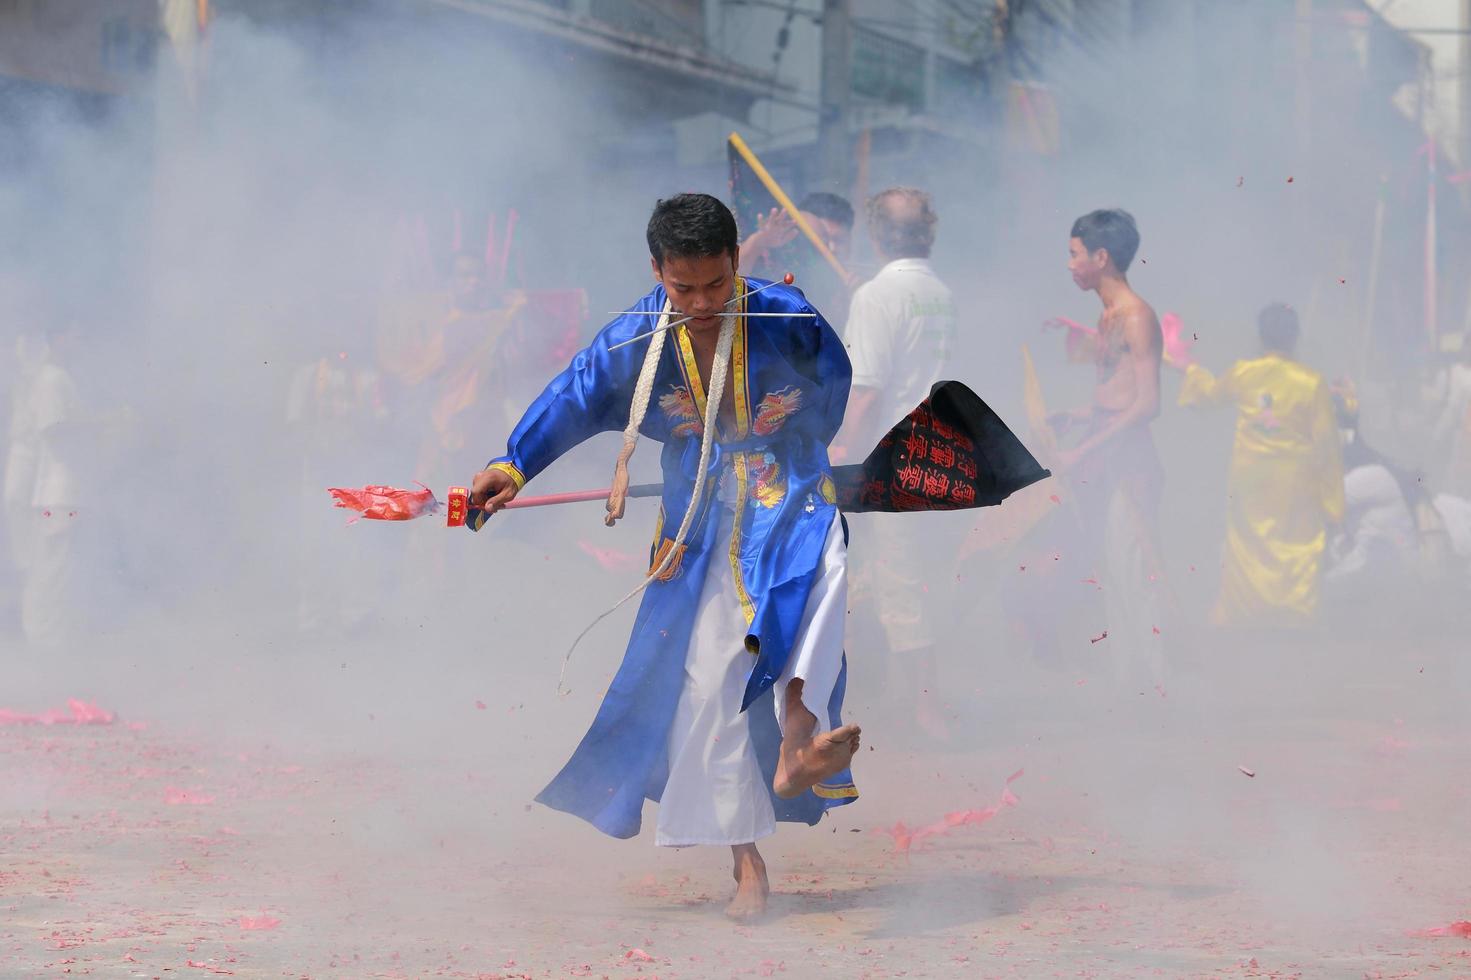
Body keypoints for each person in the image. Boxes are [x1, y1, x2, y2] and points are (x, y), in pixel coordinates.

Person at [468, 193, 860, 921]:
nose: (703, 302)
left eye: (716, 284)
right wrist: (512, 465)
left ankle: (800, 741)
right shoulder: (633, 338)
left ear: (737, 261)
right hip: (699, 520)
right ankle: (745, 863)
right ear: (657, 271)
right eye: (684, 289)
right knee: (709, 687)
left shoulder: (787, 316)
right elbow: (572, 397)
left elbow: (830, 396)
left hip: (792, 492)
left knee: (820, 587)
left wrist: (779, 445)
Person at [831, 187, 956, 737]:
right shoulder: (941, 292)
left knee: (902, 583)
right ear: (927, 231)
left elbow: (868, 390)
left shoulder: (876, 297)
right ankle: (879, 697)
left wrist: (839, 447)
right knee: (887, 577)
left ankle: (929, 714)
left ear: (876, 235)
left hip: (893, 456)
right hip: (940, 449)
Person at [1048, 208, 1166, 687]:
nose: (1070, 264)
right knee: (1111, 574)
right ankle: (1130, 684)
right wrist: (1078, 417)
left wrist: (1084, 448)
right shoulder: (1107, 315)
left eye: (1075, 254)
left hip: (1129, 461)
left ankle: (1157, 687)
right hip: (1106, 452)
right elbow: (1116, 393)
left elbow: (1147, 406)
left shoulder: (1137, 316)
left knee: (1134, 575)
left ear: (1102, 257)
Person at [1174, 303, 1344, 625]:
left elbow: (1207, 396)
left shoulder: (1244, 373)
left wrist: (1190, 369)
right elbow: (1326, 448)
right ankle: (1293, 615)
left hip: (1250, 482)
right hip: (1295, 484)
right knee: (1296, 547)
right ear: (1295, 338)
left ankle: (1245, 614)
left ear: (1260, 338)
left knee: (1249, 548)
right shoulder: (1311, 382)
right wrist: (1333, 506)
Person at [740, 192, 857, 318]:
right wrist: (758, 242)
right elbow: (733, 280)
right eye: (819, 242)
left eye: (838, 240)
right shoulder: (773, 277)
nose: (830, 249)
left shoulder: (858, 286)